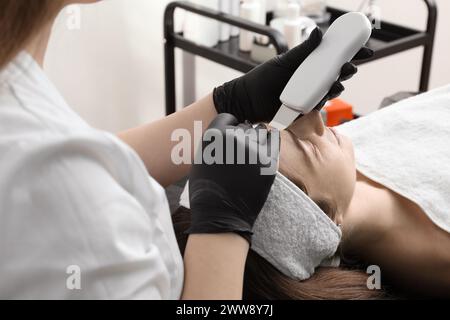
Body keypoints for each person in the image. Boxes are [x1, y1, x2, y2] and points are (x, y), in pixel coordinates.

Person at [0, 0, 371, 299]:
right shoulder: (63, 195)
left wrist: (226, 104)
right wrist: (222, 232)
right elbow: (64, 176)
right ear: (325, 229)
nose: (317, 123)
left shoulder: (18, 92)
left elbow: (83, 161)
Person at [175, 92, 450, 299]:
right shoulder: (439, 253)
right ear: (329, 220)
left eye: (267, 127)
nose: (311, 116)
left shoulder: (339, 155)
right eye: (307, 147)